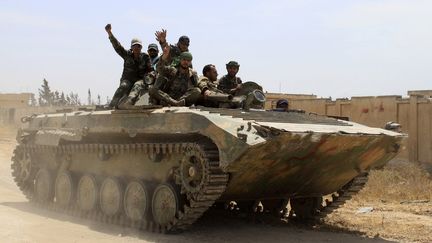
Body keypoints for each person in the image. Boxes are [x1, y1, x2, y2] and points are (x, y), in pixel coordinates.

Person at [105, 24, 152, 108]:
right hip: (127, 80)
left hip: (140, 80)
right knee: (123, 86)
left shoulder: (145, 57)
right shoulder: (127, 55)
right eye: (134, 46)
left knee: (137, 85)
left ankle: (129, 102)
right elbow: (117, 46)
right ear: (131, 47)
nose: (136, 48)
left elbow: (151, 69)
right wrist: (110, 33)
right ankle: (112, 104)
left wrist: (149, 78)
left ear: (141, 47)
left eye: (138, 46)